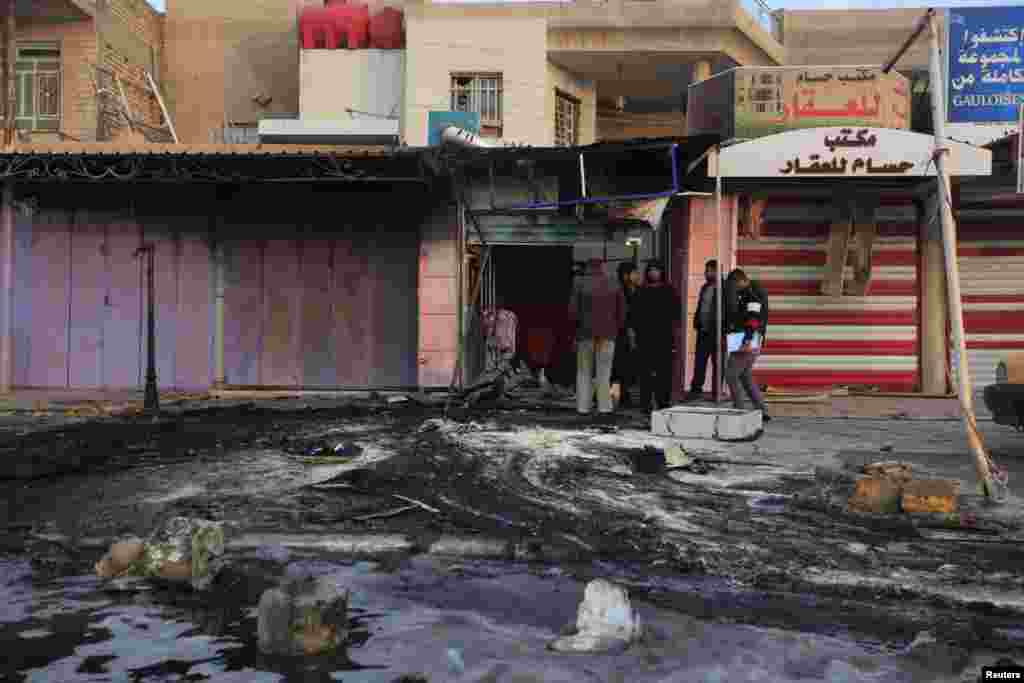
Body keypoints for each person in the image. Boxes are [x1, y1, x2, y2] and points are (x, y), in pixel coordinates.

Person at [569, 258, 626, 419]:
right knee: (604, 372)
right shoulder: (614, 283)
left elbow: (572, 311)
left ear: (587, 267)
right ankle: (604, 407)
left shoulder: (578, 282)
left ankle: (583, 407)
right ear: (603, 267)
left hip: (585, 334)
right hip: (608, 334)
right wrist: (616, 328)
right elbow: (622, 311)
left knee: (583, 371)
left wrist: (575, 329)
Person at [633, 259, 682, 412]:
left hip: (664, 338)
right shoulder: (641, 291)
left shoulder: (669, 291)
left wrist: (674, 336)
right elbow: (633, 315)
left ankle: (663, 404)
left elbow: (676, 315)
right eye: (651, 270)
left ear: (662, 272)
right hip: (644, 338)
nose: (654, 273)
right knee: (645, 374)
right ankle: (645, 405)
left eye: (657, 270)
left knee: (664, 374)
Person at [724, 268, 771, 421]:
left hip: (746, 338)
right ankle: (762, 410)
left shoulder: (751, 295)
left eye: (734, 285)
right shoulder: (747, 293)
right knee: (745, 376)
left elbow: (753, 319)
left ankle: (739, 412)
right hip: (751, 338)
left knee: (731, 374)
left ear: (741, 281)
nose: (733, 288)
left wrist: (747, 339)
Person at [686, 259, 723, 402]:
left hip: (717, 332)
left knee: (717, 363)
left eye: (708, 270)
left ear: (715, 271)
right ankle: (695, 391)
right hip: (703, 331)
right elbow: (701, 306)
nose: (705, 273)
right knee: (699, 362)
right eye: (706, 270)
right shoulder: (704, 287)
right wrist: (696, 322)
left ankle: (716, 393)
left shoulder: (723, 288)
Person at [610, 262, 642, 408]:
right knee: (619, 364)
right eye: (634, 273)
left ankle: (624, 393)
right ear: (625, 276)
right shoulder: (619, 291)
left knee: (629, 364)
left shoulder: (639, 290)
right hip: (621, 333)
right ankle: (618, 394)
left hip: (634, 332)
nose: (637, 276)